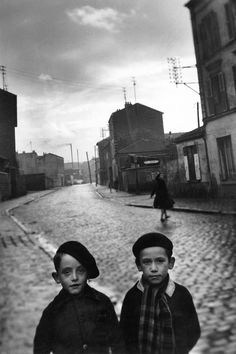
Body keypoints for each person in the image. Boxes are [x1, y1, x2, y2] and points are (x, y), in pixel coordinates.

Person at [34, 240, 124, 354]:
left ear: (88, 273)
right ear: (57, 277)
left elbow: (118, 342)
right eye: (67, 272)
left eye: (80, 271)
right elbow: (41, 348)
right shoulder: (52, 312)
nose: (75, 277)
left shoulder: (102, 302)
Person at [120, 232, 201, 354]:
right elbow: (124, 336)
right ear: (138, 265)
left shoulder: (181, 295)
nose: (153, 268)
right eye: (147, 262)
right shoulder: (132, 296)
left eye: (160, 261)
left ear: (170, 263)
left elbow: (193, 332)